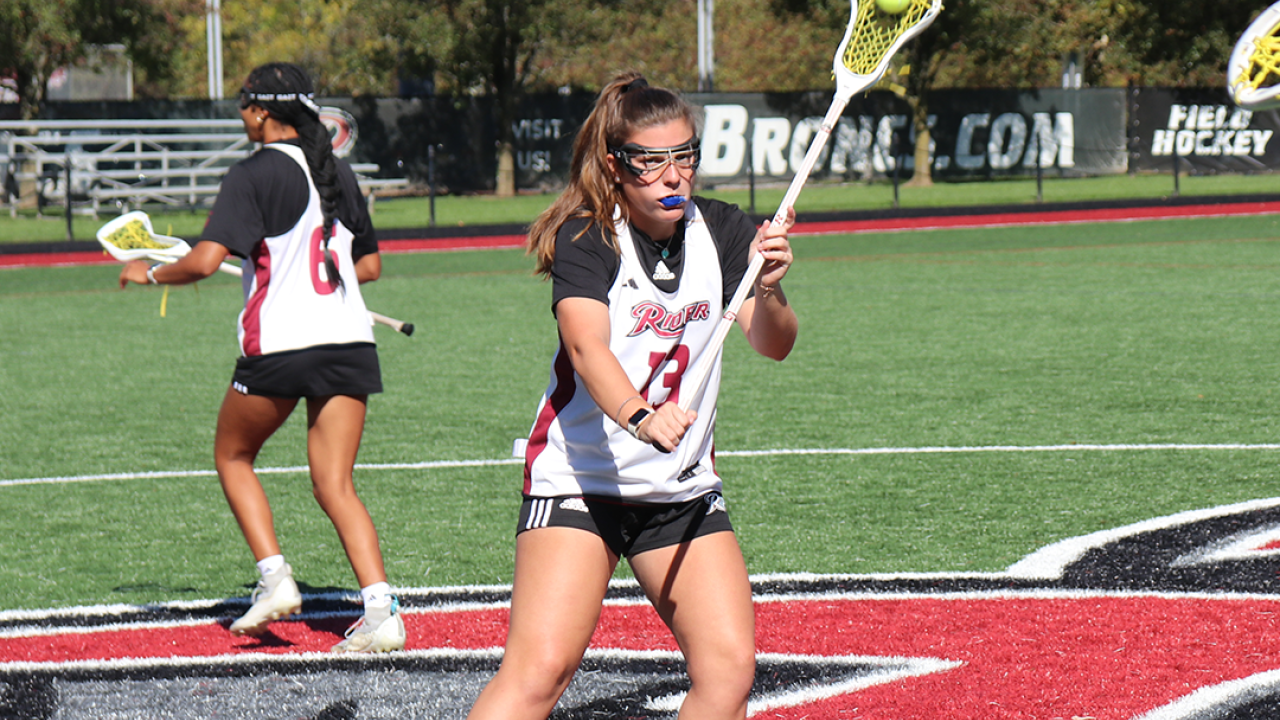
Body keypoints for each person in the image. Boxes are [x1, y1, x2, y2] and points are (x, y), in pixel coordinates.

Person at [467, 71, 798, 720]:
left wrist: (768, 286)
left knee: (728, 671)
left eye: (685, 157)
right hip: (581, 479)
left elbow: (775, 343)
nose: (673, 176)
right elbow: (588, 347)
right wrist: (640, 416)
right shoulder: (588, 237)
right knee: (540, 673)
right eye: (651, 161)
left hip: (679, 487)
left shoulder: (726, 233)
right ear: (615, 167)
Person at [118, 62, 404, 654]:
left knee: (233, 455)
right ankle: (382, 613)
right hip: (349, 340)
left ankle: (275, 580)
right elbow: (368, 268)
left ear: (261, 111)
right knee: (335, 484)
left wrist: (148, 273)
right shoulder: (338, 173)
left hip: (281, 344)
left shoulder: (252, 174)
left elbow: (200, 262)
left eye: (245, 108)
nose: (243, 118)